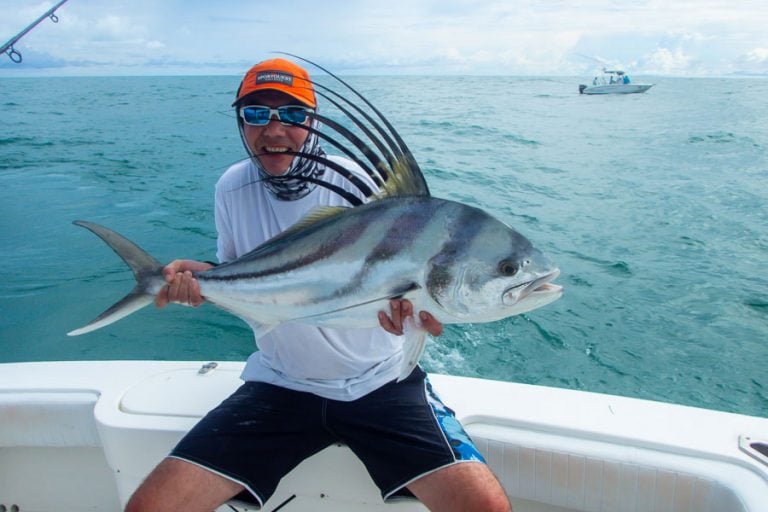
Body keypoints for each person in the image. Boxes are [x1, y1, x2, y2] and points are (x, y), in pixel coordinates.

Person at [125, 58, 511, 512]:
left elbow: (410, 273)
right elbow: (248, 274)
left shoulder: (360, 183)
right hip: (280, 385)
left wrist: (420, 314)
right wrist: (203, 281)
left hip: (381, 385)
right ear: (240, 122)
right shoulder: (231, 186)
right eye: (255, 114)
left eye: (290, 114)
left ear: (312, 120)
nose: (274, 129)